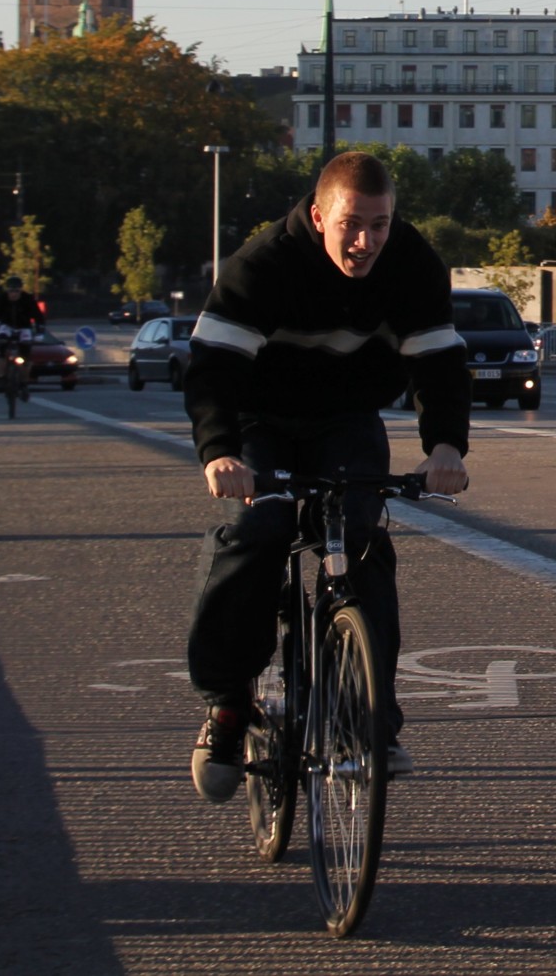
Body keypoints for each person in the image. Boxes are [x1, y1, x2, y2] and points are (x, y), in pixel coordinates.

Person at [182, 150, 472, 803]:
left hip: (344, 417)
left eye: (380, 223)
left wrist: (447, 446)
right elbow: (213, 368)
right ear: (319, 216)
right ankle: (228, 705)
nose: (367, 240)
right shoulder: (266, 264)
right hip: (263, 418)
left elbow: (439, 364)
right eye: (351, 224)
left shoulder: (411, 263)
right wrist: (219, 451)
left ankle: (372, 722)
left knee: (362, 542)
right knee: (262, 528)